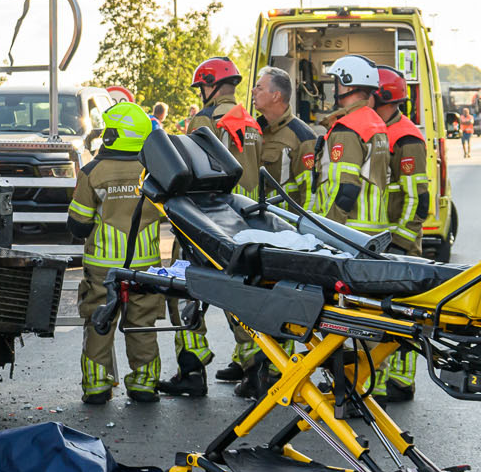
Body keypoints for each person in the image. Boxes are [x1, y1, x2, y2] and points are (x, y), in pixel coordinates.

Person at [67, 102, 164, 404]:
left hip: (102, 269)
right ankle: (144, 385)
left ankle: (96, 386)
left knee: (99, 321)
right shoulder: (155, 171)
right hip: (145, 267)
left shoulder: (92, 171)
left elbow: (79, 225)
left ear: (114, 136)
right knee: (142, 324)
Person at [178, 56, 262, 395]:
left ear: (210, 85)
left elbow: (186, 168)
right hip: (244, 221)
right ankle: (256, 368)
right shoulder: (251, 123)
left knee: (186, 290)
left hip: (206, 220)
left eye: (202, 87)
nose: (201, 93)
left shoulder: (203, 121)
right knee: (241, 294)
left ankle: (192, 370)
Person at [371, 66, 430, 402]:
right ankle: (380, 381)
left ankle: (400, 382)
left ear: (383, 97)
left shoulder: (405, 138)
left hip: (400, 243)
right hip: (384, 241)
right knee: (383, 313)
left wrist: (401, 242)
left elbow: (417, 199)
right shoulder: (381, 131)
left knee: (403, 314)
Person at [314, 55, 391, 234]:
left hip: (349, 232)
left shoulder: (348, 129)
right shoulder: (375, 123)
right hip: (373, 230)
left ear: (348, 85)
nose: (334, 88)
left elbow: (346, 189)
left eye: (337, 82)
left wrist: (328, 231)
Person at [253, 65, 321, 209]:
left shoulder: (303, 138)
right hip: (259, 223)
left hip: (286, 226)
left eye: (259, 88)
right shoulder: (254, 130)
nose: (253, 91)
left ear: (276, 96)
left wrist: (305, 229)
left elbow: (311, 194)